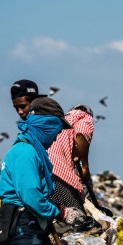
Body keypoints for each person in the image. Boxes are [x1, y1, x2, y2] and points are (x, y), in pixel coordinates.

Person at [0, 97, 72, 244]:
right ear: (45, 126)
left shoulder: (32, 149)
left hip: (30, 221)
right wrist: (55, 212)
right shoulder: (25, 151)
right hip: (22, 223)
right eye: (55, 131)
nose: (56, 137)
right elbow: (30, 194)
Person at [47, 104, 96, 226]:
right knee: (77, 216)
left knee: (56, 216)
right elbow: (81, 134)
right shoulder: (84, 117)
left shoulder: (61, 121)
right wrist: (85, 167)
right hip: (57, 172)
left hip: (44, 169)